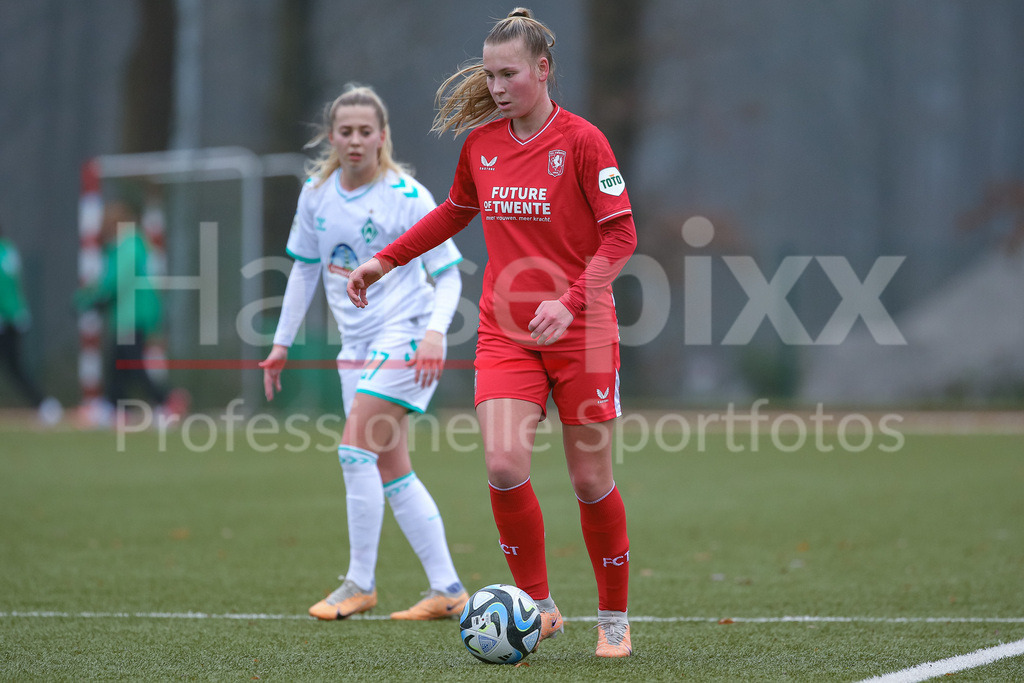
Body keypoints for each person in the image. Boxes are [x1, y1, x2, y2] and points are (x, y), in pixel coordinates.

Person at [346, 8, 638, 657]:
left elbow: (622, 235)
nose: (499, 86)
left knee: (590, 479)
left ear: (544, 68)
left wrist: (569, 302)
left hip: (584, 332)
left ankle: (614, 619)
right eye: (490, 74)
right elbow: (453, 211)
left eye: (510, 73)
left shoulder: (585, 142)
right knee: (505, 464)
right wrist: (385, 258)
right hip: (505, 333)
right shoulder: (481, 145)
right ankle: (538, 603)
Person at [260, 84, 469, 621]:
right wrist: (281, 343)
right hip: (357, 348)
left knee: (354, 452)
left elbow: (447, 275)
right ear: (332, 136)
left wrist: (435, 333)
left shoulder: (407, 195)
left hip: (407, 337)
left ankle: (359, 583)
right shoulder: (316, 194)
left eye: (365, 131)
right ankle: (447, 589)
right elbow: (305, 271)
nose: (355, 140)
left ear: (382, 137)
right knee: (391, 470)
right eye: (345, 131)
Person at [74, 201, 186, 424]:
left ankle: (166, 401)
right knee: (119, 362)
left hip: (133, 314)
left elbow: (115, 281)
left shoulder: (129, 245)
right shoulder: (125, 246)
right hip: (127, 314)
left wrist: (92, 298)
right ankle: (115, 406)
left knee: (132, 363)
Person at [0, 220, 62, 425]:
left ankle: (46, 405)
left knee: (15, 368)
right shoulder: (9, 250)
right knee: (16, 368)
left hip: (8, 319)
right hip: (16, 316)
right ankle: (45, 405)